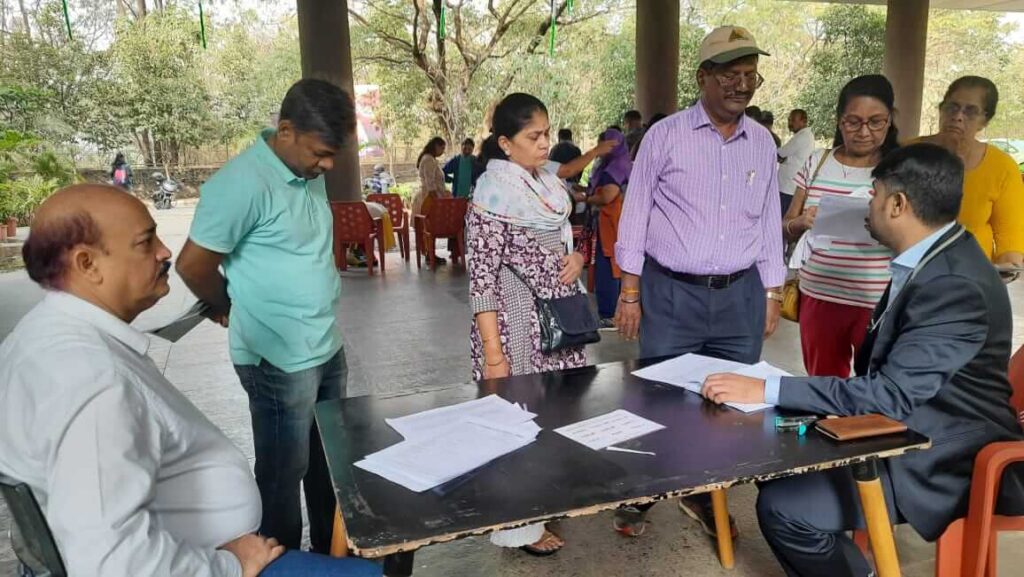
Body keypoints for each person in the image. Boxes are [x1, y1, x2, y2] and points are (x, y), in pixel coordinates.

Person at [0, 184, 381, 577]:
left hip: (188, 547)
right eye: (146, 242)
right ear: (87, 264)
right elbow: (112, 563)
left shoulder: (42, 335)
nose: (165, 251)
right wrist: (229, 565)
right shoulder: (92, 382)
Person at [701, 143, 1024, 577]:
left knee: (784, 507)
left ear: (897, 204)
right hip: (912, 423)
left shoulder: (953, 284)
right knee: (773, 456)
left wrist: (766, 388)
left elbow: (890, 396)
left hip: (944, 453)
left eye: (872, 195)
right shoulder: (939, 256)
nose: (867, 207)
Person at [612, 24, 784, 539]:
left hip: (741, 297)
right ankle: (648, 490)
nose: (743, 84)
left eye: (750, 74)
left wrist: (772, 290)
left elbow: (769, 223)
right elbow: (635, 214)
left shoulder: (761, 143)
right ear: (702, 77)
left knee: (731, 404)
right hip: (671, 294)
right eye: (731, 74)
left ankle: (707, 494)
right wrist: (630, 291)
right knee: (662, 397)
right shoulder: (665, 137)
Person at [175, 78, 355, 554]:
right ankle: (280, 564)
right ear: (286, 130)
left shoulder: (307, 171)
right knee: (281, 476)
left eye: (334, 154)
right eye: (321, 153)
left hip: (325, 346)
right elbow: (193, 264)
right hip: (276, 359)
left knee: (329, 467)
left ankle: (327, 560)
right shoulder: (241, 184)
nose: (328, 165)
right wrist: (223, 304)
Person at [467, 92, 588, 557]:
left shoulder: (548, 186)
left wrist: (576, 257)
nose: (544, 144)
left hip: (559, 319)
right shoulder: (494, 192)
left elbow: (568, 241)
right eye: (533, 137)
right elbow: (481, 279)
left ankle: (543, 499)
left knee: (555, 414)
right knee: (517, 421)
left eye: (547, 134)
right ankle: (518, 525)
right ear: (505, 143)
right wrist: (494, 354)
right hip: (517, 325)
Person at [782, 75, 900, 378]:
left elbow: (915, 236)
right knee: (822, 387)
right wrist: (801, 223)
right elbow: (784, 226)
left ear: (889, 121)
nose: (864, 132)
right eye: (853, 122)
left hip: (877, 301)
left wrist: (883, 227)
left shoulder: (898, 169)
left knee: (874, 390)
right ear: (839, 121)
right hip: (819, 297)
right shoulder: (817, 162)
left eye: (876, 122)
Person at [919, 76, 1024, 266]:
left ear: (985, 121)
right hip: (910, 273)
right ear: (941, 109)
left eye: (970, 111)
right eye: (952, 107)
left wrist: (1004, 271)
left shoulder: (1002, 167)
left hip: (971, 278)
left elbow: (1010, 239)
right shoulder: (906, 153)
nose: (958, 116)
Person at [574, 128, 630, 326]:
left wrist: (585, 198)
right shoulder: (611, 164)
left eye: (603, 144)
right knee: (607, 267)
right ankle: (608, 311)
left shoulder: (617, 166)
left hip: (613, 225)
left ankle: (609, 314)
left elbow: (608, 196)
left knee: (610, 267)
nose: (600, 148)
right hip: (607, 224)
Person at [777, 109, 814, 215]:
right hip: (787, 186)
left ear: (804, 121)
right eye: (789, 120)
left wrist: (782, 157)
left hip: (788, 188)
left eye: (793, 120)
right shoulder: (801, 135)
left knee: (782, 219)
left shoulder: (803, 136)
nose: (790, 123)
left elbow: (780, 154)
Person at [413, 136, 448, 215]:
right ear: (436, 146)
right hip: (429, 199)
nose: (443, 151)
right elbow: (430, 185)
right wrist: (437, 203)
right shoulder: (428, 160)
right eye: (442, 148)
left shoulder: (431, 159)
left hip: (430, 198)